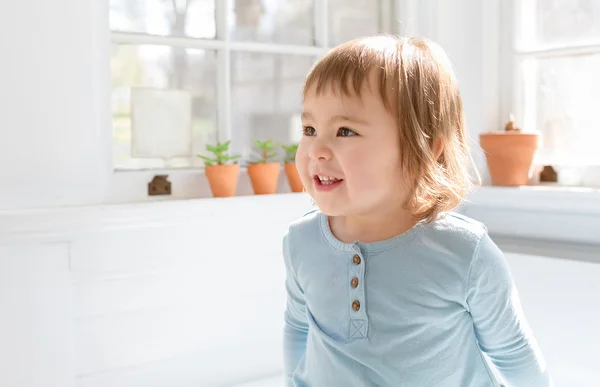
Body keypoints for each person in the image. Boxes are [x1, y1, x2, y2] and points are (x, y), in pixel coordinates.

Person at [282, 35, 553, 387]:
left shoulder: (463, 252)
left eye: (345, 130)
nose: (316, 148)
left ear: (424, 150)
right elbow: (298, 330)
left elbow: (515, 356)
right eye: (309, 129)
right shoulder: (301, 242)